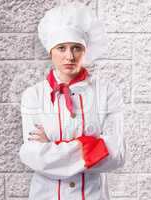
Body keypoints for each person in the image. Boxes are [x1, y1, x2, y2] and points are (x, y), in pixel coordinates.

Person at [19, 2, 125, 200]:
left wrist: (53, 146)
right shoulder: (33, 95)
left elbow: (116, 154)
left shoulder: (108, 92)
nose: (69, 56)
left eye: (76, 48)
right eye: (61, 48)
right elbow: (33, 155)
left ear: (86, 50)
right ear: (50, 51)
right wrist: (92, 145)